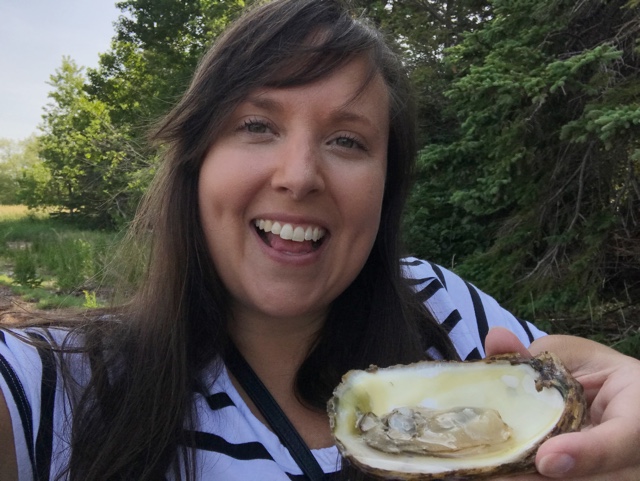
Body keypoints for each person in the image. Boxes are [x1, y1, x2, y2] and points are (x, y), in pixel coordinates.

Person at [1, 0, 639, 480]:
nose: (300, 176)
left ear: (386, 185)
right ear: (195, 161)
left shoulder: (448, 310)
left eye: (347, 140)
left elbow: (589, 399)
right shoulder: (59, 387)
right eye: (257, 124)